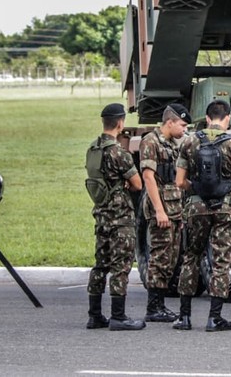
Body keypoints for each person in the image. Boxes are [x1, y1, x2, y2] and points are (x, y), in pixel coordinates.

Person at [172, 99, 231, 331]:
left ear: (206, 118)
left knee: (191, 256)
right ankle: (214, 318)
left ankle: (184, 317)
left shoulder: (189, 141)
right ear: (228, 118)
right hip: (225, 208)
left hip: (196, 207)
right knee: (221, 262)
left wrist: (195, 189)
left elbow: (179, 181)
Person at [85, 103, 146, 331]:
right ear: (120, 123)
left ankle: (95, 315)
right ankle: (118, 316)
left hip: (101, 215)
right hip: (120, 218)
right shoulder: (118, 152)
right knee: (121, 266)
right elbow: (137, 184)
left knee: (100, 265)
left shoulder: (93, 149)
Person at [138, 102, 191, 323]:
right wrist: (159, 211)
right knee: (160, 257)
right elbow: (148, 177)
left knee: (171, 257)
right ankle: (154, 307)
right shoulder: (151, 141)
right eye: (182, 124)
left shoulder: (172, 144)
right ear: (169, 122)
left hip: (174, 209)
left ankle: (160, 304)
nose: (184, 129)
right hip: (162, 210)